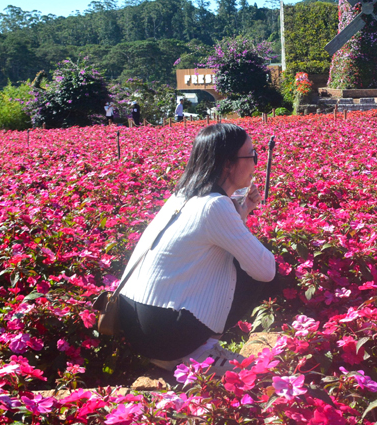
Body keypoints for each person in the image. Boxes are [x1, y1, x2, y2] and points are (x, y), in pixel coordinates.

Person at [118, 123, 276, 376]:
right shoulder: (215, 206)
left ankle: (184, 352)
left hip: (137, 325)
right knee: (253, 265)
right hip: (164, 334)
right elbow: (265, 269)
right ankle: (199, 353)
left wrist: (242, 210)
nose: (256, 163)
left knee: (234, 255)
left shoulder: (182, 196)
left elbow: (217, 237)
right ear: (228, 163)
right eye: (253, 155)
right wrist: (238, 213)